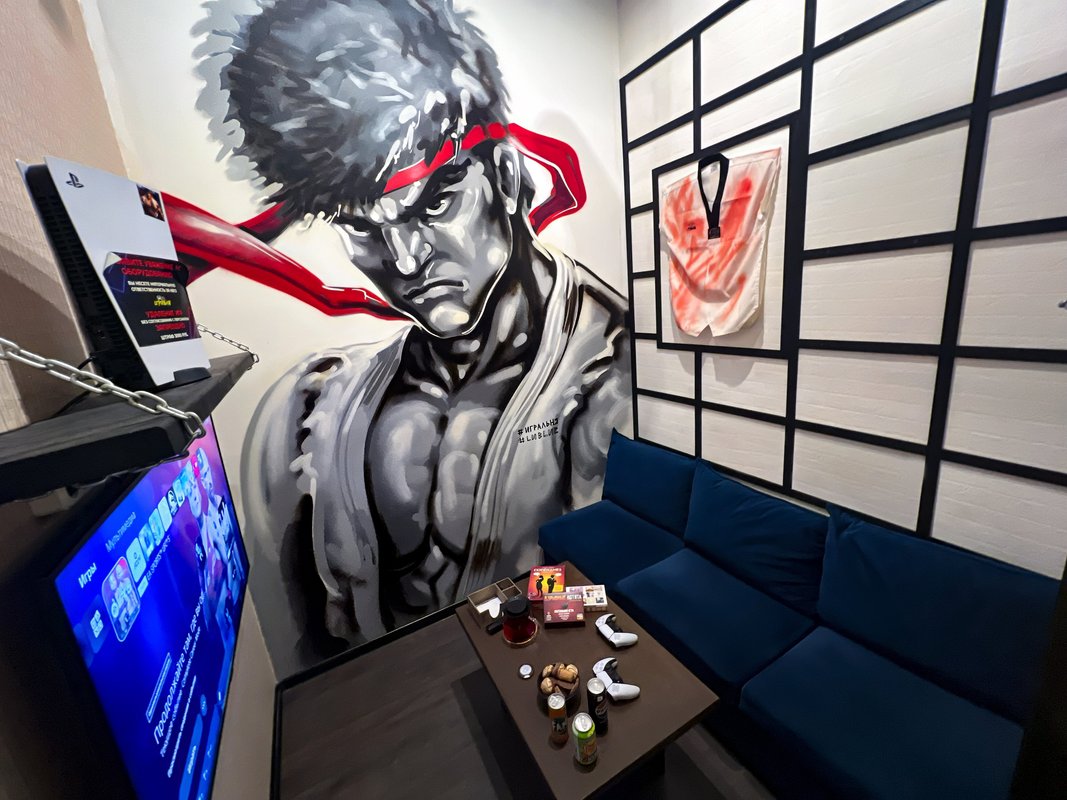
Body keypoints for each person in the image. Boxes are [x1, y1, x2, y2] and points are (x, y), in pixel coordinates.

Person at [234, 0, 630, 668]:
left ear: (505, 174)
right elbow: (305, 664)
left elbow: (617, 605)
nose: (406, 261)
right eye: (362, 227)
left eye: (435, 201)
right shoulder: (306, 409)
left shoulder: (612, 374)